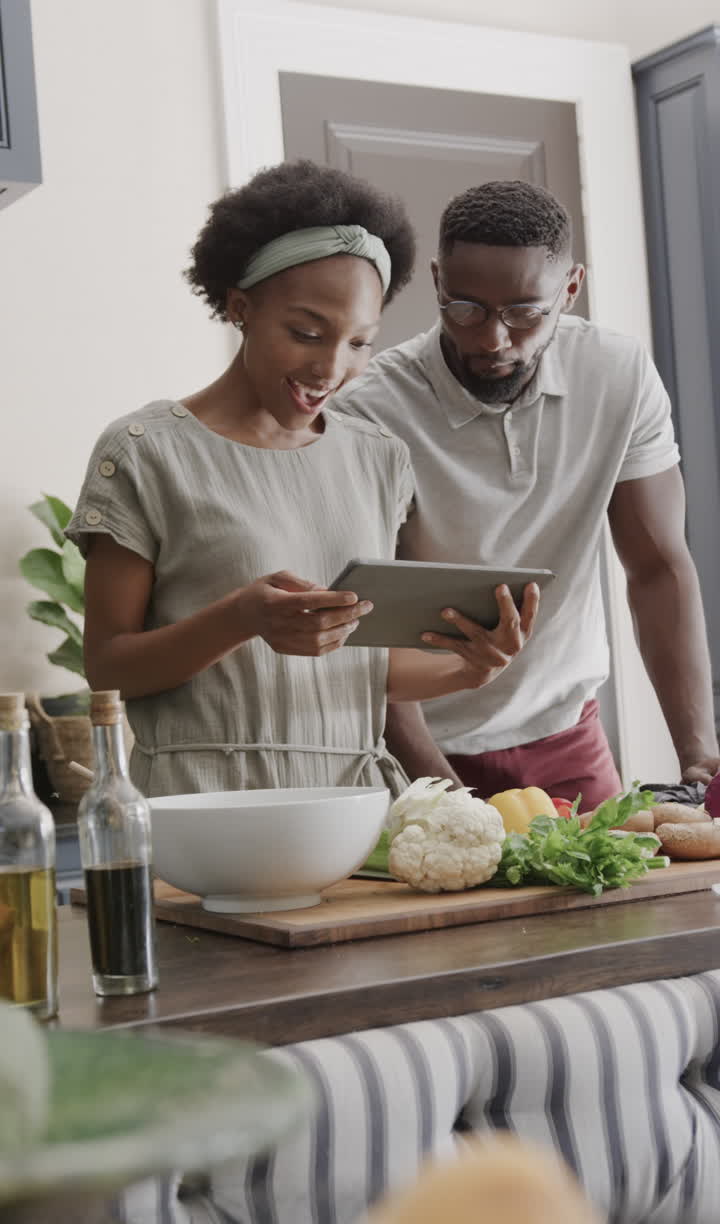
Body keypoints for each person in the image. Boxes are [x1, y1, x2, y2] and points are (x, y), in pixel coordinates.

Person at [65, 161, 537, 799]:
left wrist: (469, 667)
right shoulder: (146, 453)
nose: (332, 367)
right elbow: (108, 667)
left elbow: (359, 671)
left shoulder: (378, 458)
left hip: (354, 816)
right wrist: (239, 618)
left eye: (360, 343)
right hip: (206, 810)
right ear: (240, 307)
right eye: (307, 333)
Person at [334, 179, 720, 810]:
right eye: (467, 309)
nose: (492, 338)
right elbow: (365, 630)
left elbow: (657, 566)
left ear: (570, 289)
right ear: (436, 282)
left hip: (567, 736)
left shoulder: (618, 375)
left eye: (524, 313)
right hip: (416, 746)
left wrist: (698, 751)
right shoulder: (369, 411)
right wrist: (448, 800)